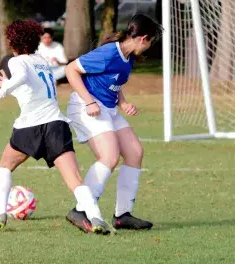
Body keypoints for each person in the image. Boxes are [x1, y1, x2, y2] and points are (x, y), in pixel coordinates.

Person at [0, 19, 111, 235]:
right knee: (74, 179)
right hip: (56, 125)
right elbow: (32, 89)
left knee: (5, 166)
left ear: (13, 41)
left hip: (29, 128)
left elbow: (20, 77)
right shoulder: (41, 61)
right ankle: (96, 217)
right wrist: (8, 87)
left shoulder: (15, 62)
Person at [65, 14, 163, 231]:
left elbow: (113, 82)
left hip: (108, 108)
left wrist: (124, 103)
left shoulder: (127, 57)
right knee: (109, 156)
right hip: (86, 106)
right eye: (150, 43)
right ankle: (81, 210)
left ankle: (122, 215)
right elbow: (71, 69)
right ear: (142, 38)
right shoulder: (109, 52)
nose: (149, 48)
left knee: (135, 152)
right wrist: (89, 101)